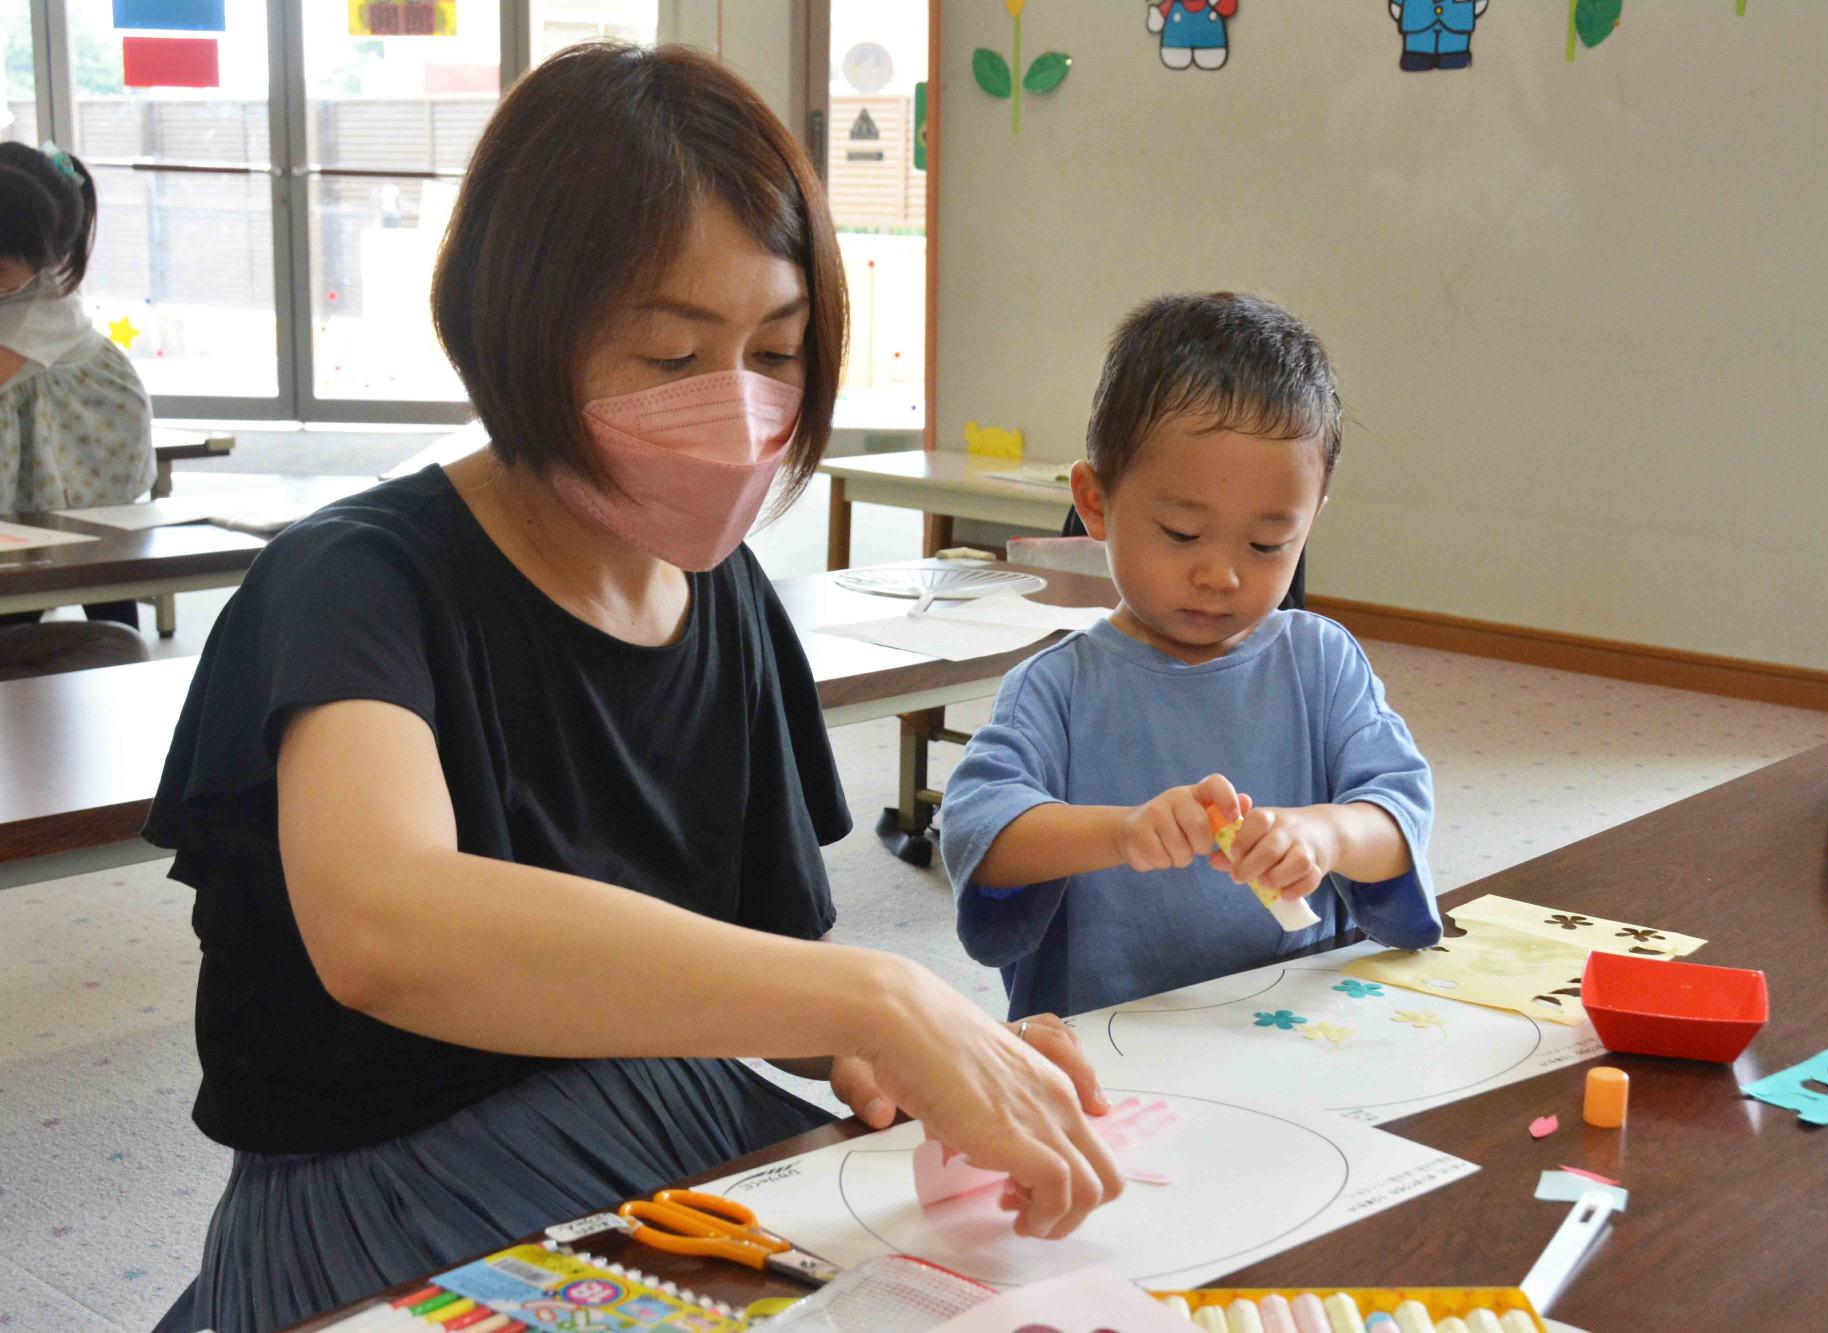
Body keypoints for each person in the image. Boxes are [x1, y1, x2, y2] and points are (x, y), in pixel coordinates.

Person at [146, 44, 1120, 1333]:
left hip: (656, 1124)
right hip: (379, 1184)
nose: (736, 405)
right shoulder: (356, 582)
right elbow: (385, 928)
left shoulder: (717, 592)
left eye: (775, 351)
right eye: (671, 357)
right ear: (521, 333)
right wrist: (877, 998)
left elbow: (746, 974)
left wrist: (902, 1057)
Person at [942, 292, 1442, 1021]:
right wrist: (1120, 832)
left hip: (1295, 1029)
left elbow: (1398, 817)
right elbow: (981, 833)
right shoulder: (1058, 687)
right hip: (1116, 1046)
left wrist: (1323, 833)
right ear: (1096, 501)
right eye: (1181, 532)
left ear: (1311, 522)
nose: (1221, 575)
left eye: (1268, 544)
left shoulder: (1323, 663)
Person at [0, 140, 154, 629]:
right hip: (35, 430)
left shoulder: (40, 313)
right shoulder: (19, 269)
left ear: (45, 255)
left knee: (87, 557)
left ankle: (118, 656)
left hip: (84, 432)